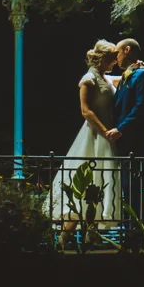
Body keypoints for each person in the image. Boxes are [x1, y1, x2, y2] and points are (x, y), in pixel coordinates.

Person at [48, 39, 123, 246]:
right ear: (102, 58)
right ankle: (64, 240)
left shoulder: (105, 78)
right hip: (95, 135)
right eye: (111, 58)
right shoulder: (89, 79)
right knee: (86, 182)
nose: (115, 61)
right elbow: (86, 111)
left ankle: (92, 235)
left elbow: (122, 79)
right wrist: (105, 131)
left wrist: (135, 67)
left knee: (99, 182)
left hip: (105, 136)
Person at [106, 38, 144, 223]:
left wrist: (121, 129)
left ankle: (138, 232)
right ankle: (130, 230)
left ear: (127, 50)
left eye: (117, 53)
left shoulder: (142, 75)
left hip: (133, 141)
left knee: (132, 187)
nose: (115, 59)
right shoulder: (129, 75)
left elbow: (141, 107)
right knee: (126, 187)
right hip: (124, 142)